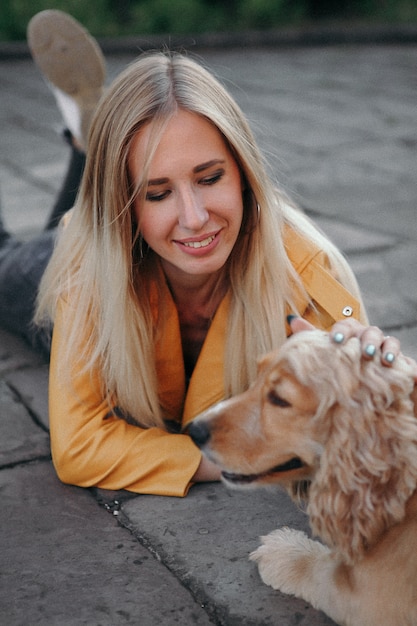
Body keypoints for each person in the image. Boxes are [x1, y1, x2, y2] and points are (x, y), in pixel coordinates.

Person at [0, 11, 412, 497]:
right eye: (157, 193)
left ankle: (88, 149)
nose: (195, 218)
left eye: (210, 177)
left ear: (243, 173)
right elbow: (79, 447)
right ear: (125, 209)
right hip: (83, 254)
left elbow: (356, 416)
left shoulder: (307, 272)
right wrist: (221, 459)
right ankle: (87, 150)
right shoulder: (86, 272)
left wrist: (376, 366)